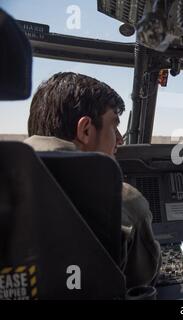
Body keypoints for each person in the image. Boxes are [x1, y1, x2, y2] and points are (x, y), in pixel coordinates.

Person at [25, 72, 161, 289]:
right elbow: (143, 283)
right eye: (114, 126)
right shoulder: (121, 199)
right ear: (86, 130)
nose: (119, 139)